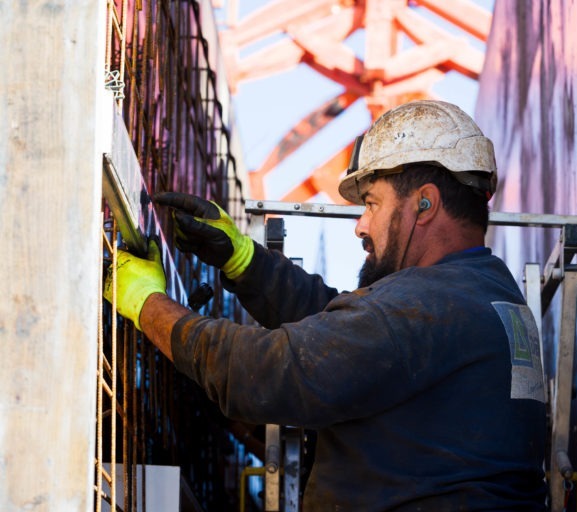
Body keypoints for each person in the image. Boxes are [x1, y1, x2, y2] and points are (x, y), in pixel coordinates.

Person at [104, 100, 548, 511]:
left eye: (372, 204)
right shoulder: (483, 294)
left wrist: (147, 304)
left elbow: (264, 372)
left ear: (425, 203)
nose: (361, 226)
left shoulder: (429, 308)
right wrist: (243, 260)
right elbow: (346, 332)